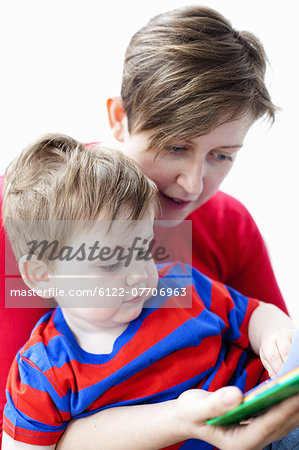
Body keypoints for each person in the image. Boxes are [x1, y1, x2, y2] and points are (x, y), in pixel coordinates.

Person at [0, 5, 296, 449]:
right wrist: (181, 421)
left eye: (223, 155)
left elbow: (274, 351)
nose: (194, 184)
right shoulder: (32, 220)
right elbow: (29, 429)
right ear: (119, 118)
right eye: (176, 146)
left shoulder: (225, 229)